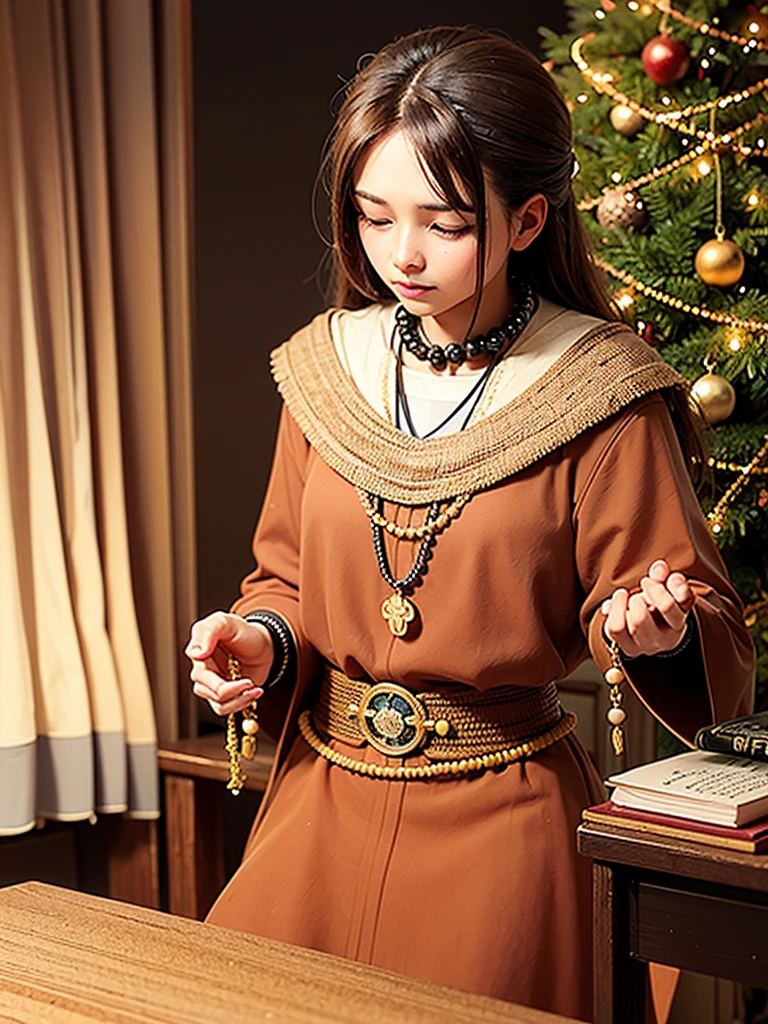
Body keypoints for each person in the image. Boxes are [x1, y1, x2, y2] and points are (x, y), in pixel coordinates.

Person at [186, 25, 754, 1022]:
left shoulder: (601, 391)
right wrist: (259, 641)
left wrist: (654, 626)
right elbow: (281, 579)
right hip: (319, 802)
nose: (399, 254)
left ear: (528, 218)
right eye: (370, 218)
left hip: (507, 830)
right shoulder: (326, 371)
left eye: (442, 223)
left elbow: (701, 616)